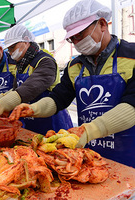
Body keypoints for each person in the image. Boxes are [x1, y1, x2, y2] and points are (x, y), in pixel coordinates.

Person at [9, 0, 135, 168]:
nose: (76, 42)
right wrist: (34, 109)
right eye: (71, 39)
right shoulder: (75, 66)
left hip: (128, 154)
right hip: (88, 153)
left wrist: (89, 131)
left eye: (80, 35)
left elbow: (132, 105)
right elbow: (58, 98)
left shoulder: (131, 56)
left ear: (102, 24)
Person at [0, 24, 72, 134]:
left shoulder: (45, 61)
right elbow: (16, 89)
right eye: (9, 49)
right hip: (30, 122)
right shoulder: (21, 65)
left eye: (12, 48)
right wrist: (1, 97)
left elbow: (28, 88)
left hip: (51, 123)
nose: (10, 53)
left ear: (26, 42)